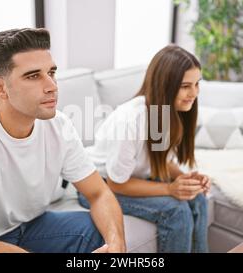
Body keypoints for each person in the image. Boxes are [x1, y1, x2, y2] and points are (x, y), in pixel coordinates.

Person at [0, 28, 126, 253]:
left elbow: (99, 194)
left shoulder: (59, 125)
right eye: (33, 76)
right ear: (0, 88)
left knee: (100, 232)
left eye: (51, 72)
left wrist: (117, 246)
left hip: (26, 227)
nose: (52, 86)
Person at [79, 45, 210, 253]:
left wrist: (186, 179)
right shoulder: (131, 120)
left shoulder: (166, 113)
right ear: (166, 85)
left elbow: (158, 160)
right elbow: (117, 184)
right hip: (98, 186)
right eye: (186, 86)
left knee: (198, 198)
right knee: (176, 211)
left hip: (131, 178)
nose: (194, 93)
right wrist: (169, 189)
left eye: (196, 84)